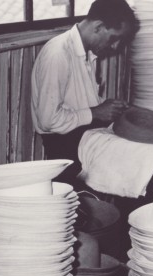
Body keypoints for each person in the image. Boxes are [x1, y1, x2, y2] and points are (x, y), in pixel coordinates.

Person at [31, 0, 139, 187]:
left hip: (82, 133)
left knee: (141, 156)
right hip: (63, 143)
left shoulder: (85, 51)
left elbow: (78, 100)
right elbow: (47, 120)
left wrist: (109, 107)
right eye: (114, 38)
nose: (115, 47)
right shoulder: (58, 53)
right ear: (98, 27)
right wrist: (97, 112)